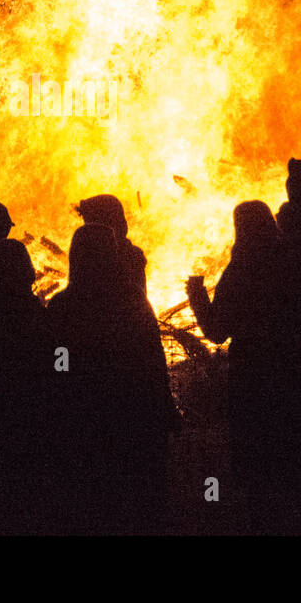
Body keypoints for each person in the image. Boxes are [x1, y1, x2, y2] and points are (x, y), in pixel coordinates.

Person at [47, 223, 175, 533]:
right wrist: (164, 407)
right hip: (132, 417)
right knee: (137, 504)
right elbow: (152, 361)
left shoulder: (63, 305)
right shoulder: (132, 301)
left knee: (90, 505)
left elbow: (55, 365)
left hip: (82, 420)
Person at [186, 200, 287, 531]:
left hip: (252, 371)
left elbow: (217, 332)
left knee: (257, 452)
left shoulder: (240, 271)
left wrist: (197, 296)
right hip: (289, 366)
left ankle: (262, 518)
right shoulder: (289, 261)